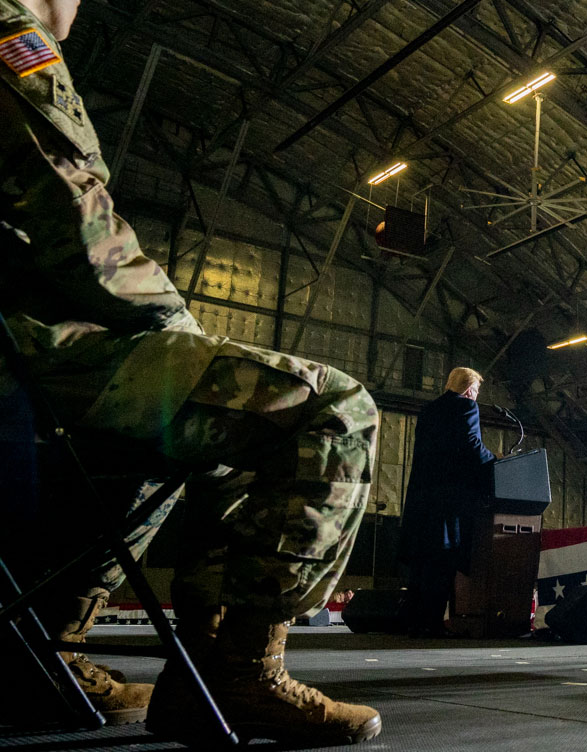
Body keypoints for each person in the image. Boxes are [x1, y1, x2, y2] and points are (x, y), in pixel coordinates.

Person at [0, 0, 381, 743]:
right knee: (333, 411)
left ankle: (44, 658)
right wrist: (178, 323)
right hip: (30, 354)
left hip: (22, 357)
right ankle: (236, 675)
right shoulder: (10, 32)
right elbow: (71, 214)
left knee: (199, 434)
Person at [399, 367, 496, 637]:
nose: (475, 397)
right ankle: (431, 622)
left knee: (421, 563)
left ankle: (414, 621)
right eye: (475, 392)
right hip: (448, 501)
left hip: (422, 499)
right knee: (442, 561)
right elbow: (472, 446)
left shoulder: (428, 411)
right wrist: (495, 460)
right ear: (468, 390)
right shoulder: (465, 407)